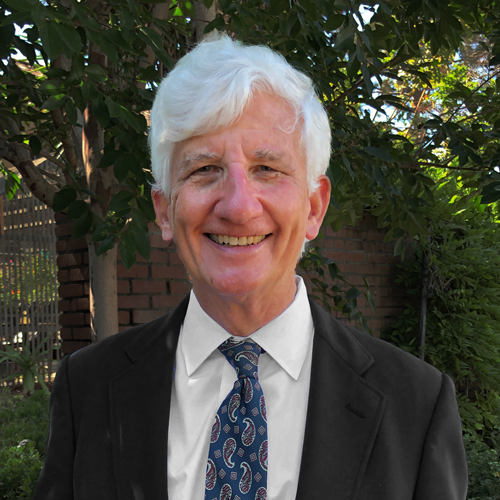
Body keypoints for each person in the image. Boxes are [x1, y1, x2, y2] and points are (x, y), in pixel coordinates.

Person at [33, 34, 467, 500]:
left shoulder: (417, 405)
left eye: (267, 169)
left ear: (314, 208)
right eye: (204, 170)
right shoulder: (88, 388)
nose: (239, 207)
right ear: (164, 211)